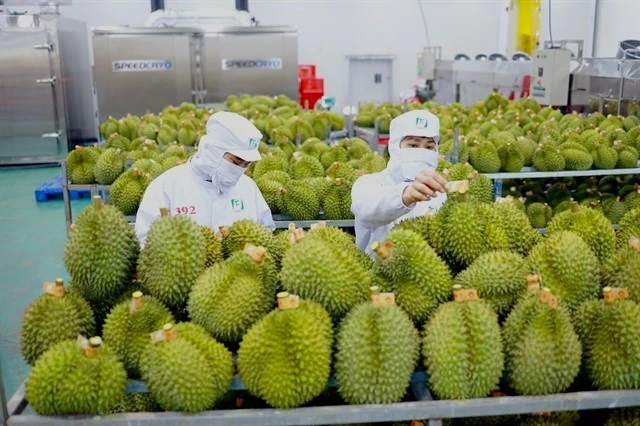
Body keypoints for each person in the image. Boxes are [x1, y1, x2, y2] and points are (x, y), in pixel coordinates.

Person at [135, 111, 275, 245]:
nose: (240, 169)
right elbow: (145, 243)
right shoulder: (165, 187)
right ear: (212, 151)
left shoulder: (248, 187)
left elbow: (266, 235)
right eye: (236, 162)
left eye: (246, 164)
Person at [351, 110, 448, 256]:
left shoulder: (441, 194)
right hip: (375, 275)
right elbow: (365, 208)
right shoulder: (369, 184)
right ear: (395, 147)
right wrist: (405, 195)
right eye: (413, 146)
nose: (421, 152)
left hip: (426, 274)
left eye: (429, 147)